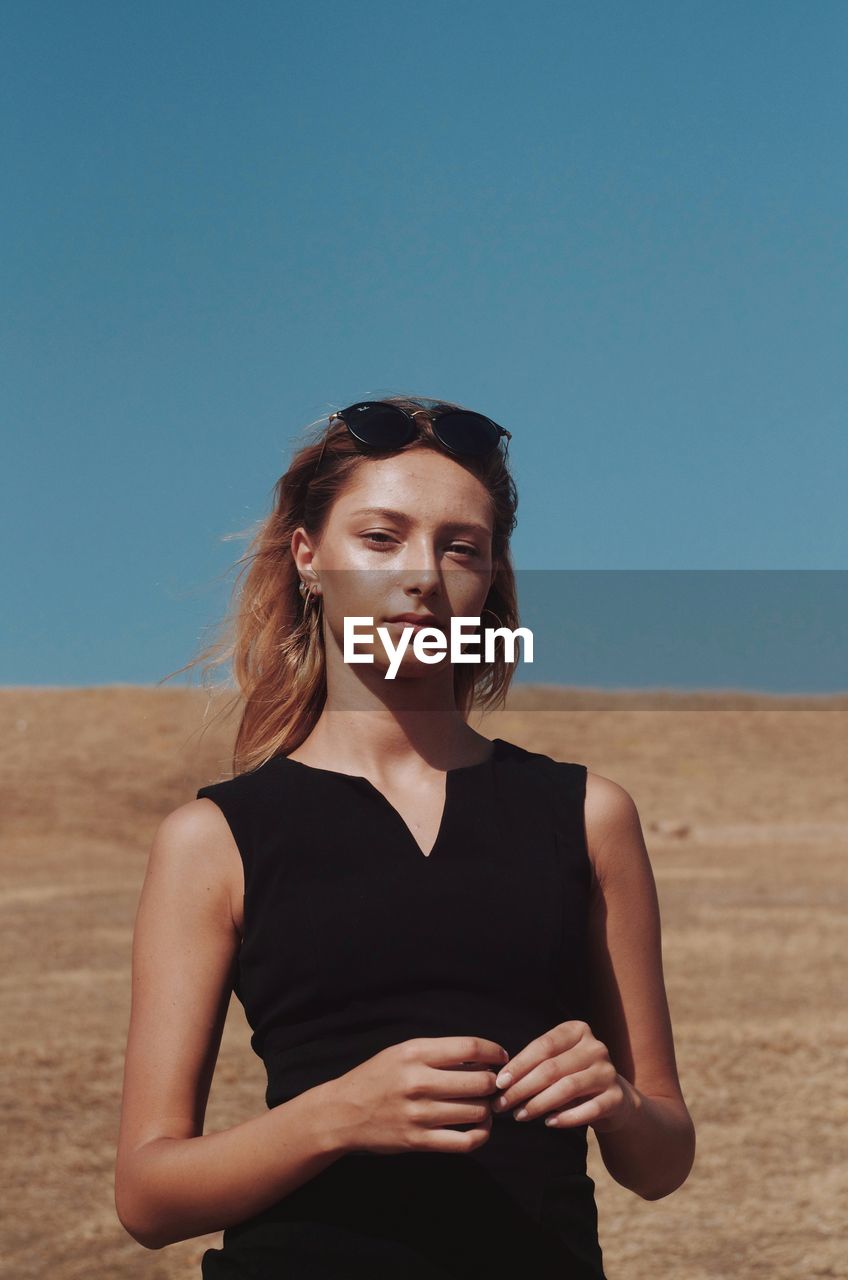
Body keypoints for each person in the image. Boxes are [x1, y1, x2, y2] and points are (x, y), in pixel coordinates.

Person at [114, 394, 696, 1277]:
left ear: (489, 573)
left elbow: (661, 1161)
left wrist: (615, 1101)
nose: (422, 574)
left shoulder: (588, 815)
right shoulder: (215, 839)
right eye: (380, 538)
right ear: (309, 558)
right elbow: (149, 1198)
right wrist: (337, 1115)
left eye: (459, 546)